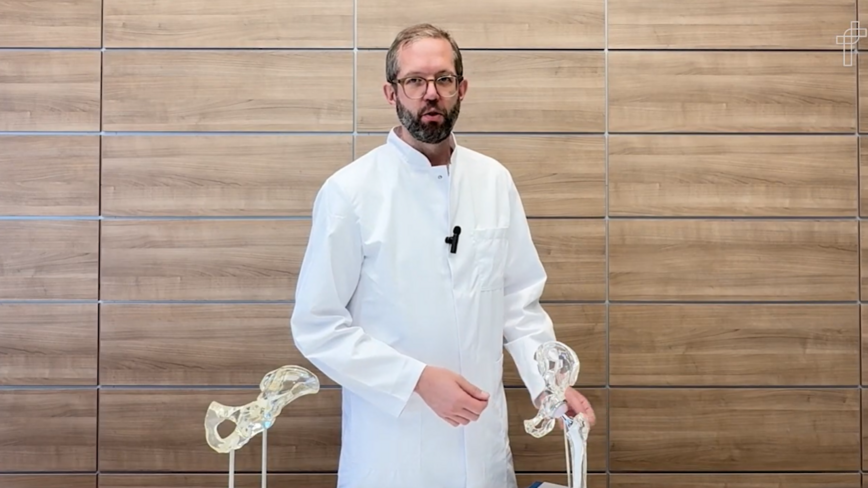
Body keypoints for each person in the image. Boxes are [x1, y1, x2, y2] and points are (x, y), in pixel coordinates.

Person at [290, 23, 596, 488]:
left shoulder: (493, 181)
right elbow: (317, 325)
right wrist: (415, 379)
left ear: (461, 89)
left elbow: (519, 304)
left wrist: (549, 389)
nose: (430, 93)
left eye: (443, 79)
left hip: (481, 452)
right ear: (391, 93)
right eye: (415, 80)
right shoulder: (349, 192)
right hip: (391, 454)